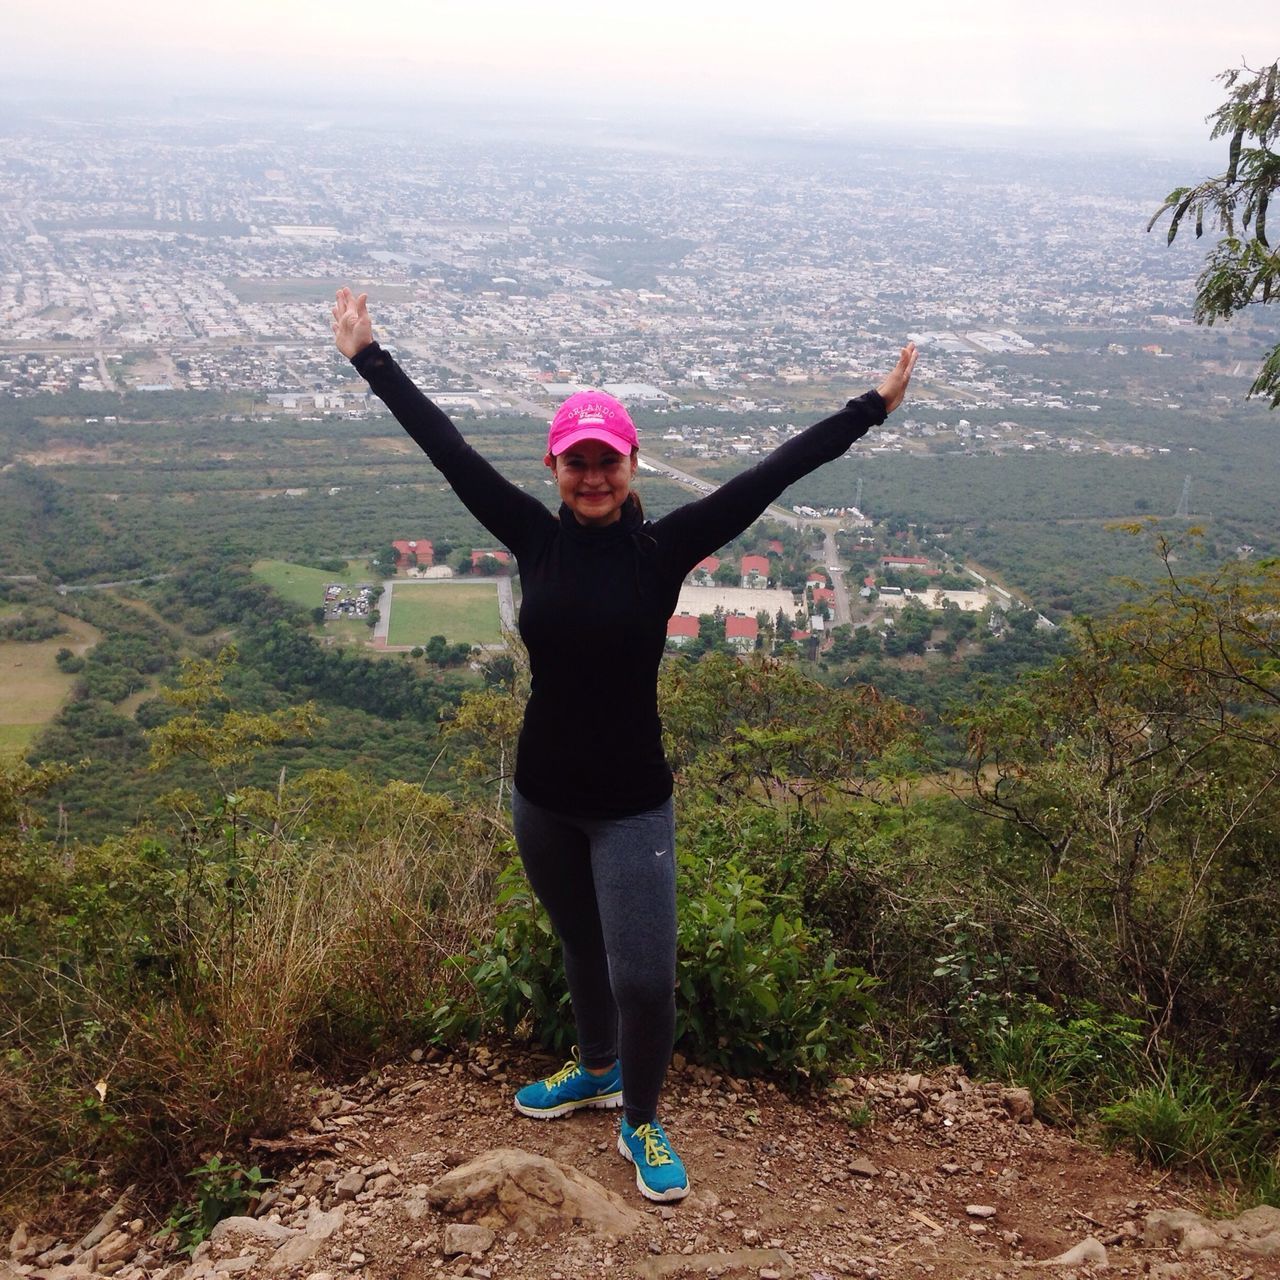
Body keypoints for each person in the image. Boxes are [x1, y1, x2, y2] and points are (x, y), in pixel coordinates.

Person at [332, 286, 917, 1202]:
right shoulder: (531, 535)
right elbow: (446, 447)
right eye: (578, 463)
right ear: (556, 467)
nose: (594, 476)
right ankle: (597, 1068)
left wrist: (870, 409)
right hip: (542, 797)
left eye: (608, 461)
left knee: (643, 973)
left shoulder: (665, 548)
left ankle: (641, 1119)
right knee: (576, 940)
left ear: (631, 463)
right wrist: (371, 358)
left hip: (632, 803)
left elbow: (773, 474)